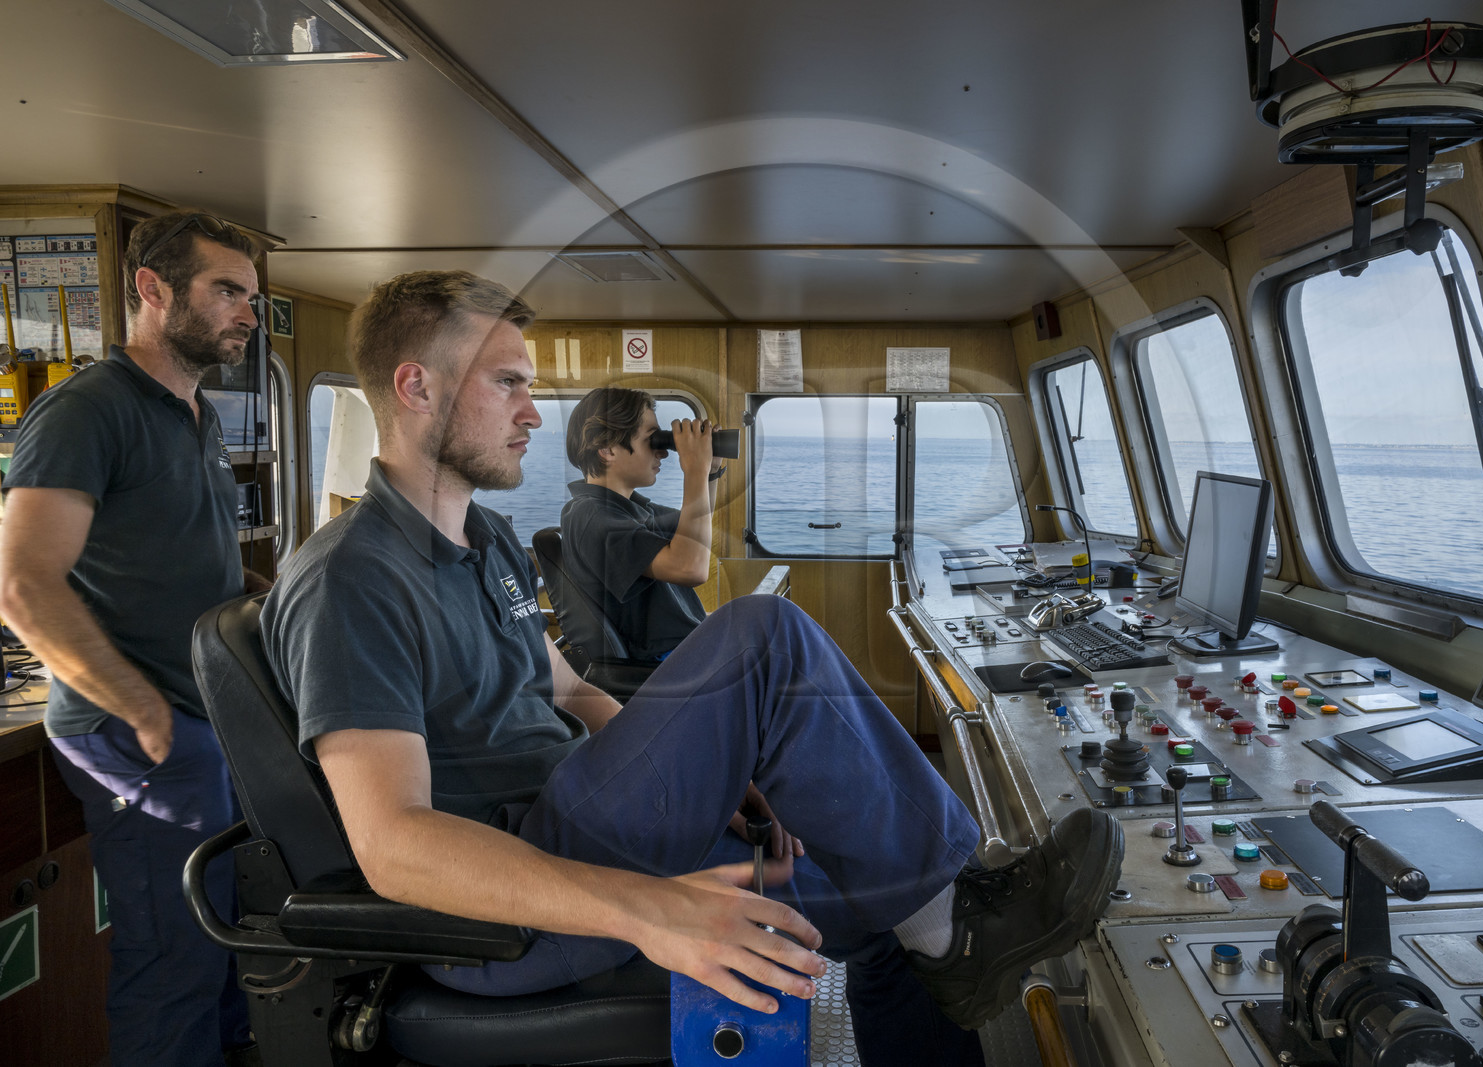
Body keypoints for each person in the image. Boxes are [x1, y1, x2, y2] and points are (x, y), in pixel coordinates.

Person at [259, 270, 1124, 1061]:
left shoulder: (485, 539)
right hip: (506, 910)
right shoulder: (349, 578)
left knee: (863, 893)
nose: (531, 411)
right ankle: (958, 926)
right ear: (417, 387)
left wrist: (703, 767)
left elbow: (573, 688)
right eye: (508, 382)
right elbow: (395, 847)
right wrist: (650, 907)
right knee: (763, 634)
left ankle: (951, 926)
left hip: (583, 816)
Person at [0, 211, 268, 1066]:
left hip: (202, 722)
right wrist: (143, 709)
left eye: (252, 297)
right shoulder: (85, 411)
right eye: (227, 290)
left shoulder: (198, 415)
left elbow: (196, 565)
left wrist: (283, 603)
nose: (248, 316)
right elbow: (22, 584)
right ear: (152, 290)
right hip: (138, 730)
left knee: (222, 952)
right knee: (173, 966)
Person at [559, 385, 719, 661]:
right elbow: (691, 568)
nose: (663, 453)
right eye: (653, 440)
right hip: (667, 664)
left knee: (771, 619)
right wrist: (694, 469)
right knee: (776, 618)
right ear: (607, 448)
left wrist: (709, 473)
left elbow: (694, 532)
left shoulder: (629, 508)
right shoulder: (591, 516)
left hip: (688, 649)